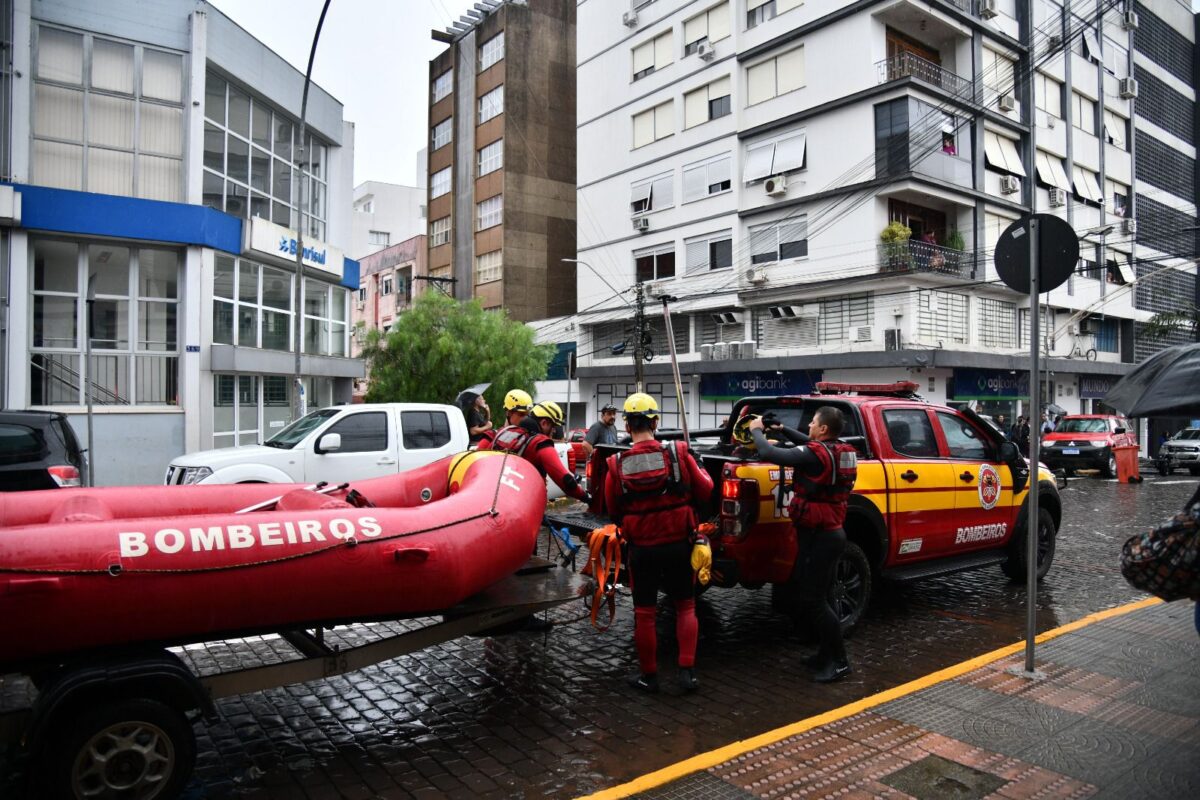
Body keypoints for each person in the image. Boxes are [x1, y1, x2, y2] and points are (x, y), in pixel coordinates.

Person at [604, 392, 713, 694]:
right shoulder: (678, 452)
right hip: (680, 544)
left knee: (645, 613)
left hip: (642, 550)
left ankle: (649, 677)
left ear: (626, 426)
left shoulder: (615, 464)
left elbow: (612, 509)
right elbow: (706, 490)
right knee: (686, 606)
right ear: (655, 422)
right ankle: (687, 673)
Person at [746, 407, 857, 683]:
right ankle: (825, 653)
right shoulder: (839, 450)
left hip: (822, 537)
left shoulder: (815, 455)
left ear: (823, 430)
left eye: (813, 422)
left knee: (814, 600)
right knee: (826, 596)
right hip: (829, 533)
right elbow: (808, 445)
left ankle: (840, 661)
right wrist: (782, 430)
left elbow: (770, 454)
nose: (808, 425)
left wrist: (756, 431)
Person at [479, 399, 587, 503]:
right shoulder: (541, 444)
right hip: (525, 506)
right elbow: (565, 481)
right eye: (553, 426)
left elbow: (479, 461)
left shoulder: (504, 432)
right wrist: (586, 497)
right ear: (544, 423)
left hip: (491, 499)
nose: (554, 431)